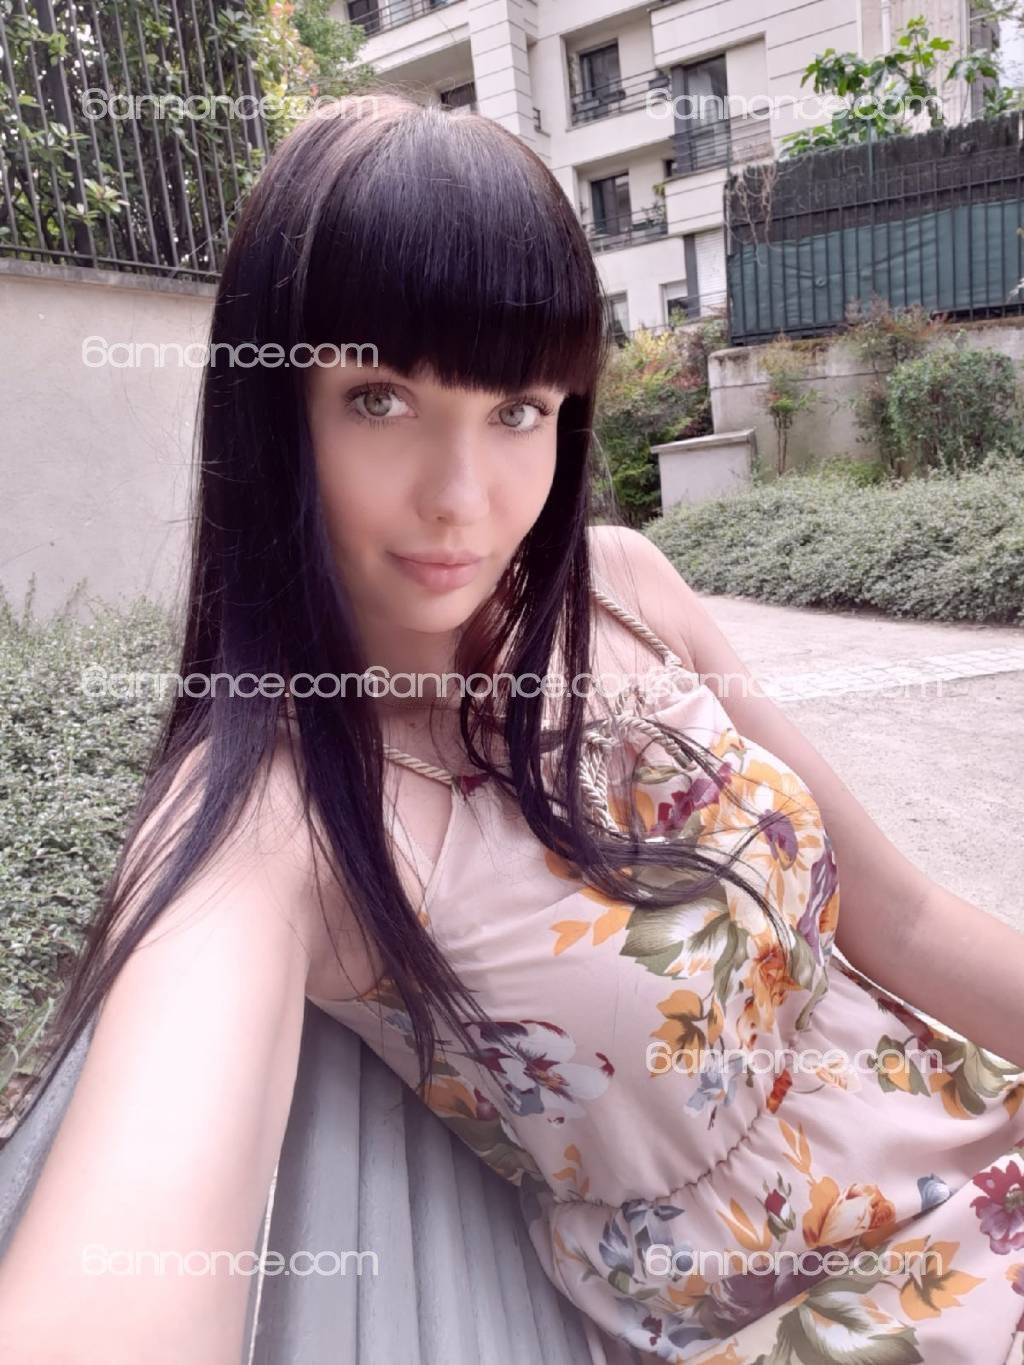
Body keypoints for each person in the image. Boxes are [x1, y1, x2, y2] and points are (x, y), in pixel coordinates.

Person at [0, 88, 1022, 1365]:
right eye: (379, 399)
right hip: (842, 1317)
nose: (462, 499)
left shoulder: (623, 592)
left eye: (517, 410)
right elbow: (128, 1260)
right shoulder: (277, 817)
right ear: (274, 415)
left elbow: (902, 918)